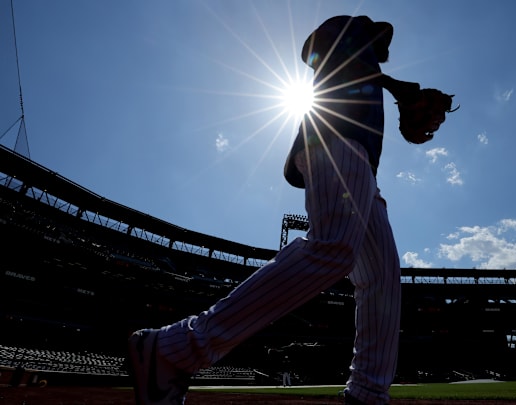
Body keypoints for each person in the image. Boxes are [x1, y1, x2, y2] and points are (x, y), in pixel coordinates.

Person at [127, 15, 426, 405]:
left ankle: (368, 393)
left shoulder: (364, 68)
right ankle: (176, 347)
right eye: (380, 46)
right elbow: (318, 47)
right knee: (332, 248)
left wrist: (396, 88)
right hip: (335, 136)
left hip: (361, 161)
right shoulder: (349, 33)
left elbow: (353, 61)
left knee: (382, 275)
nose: (384, 53)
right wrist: (395, 82)